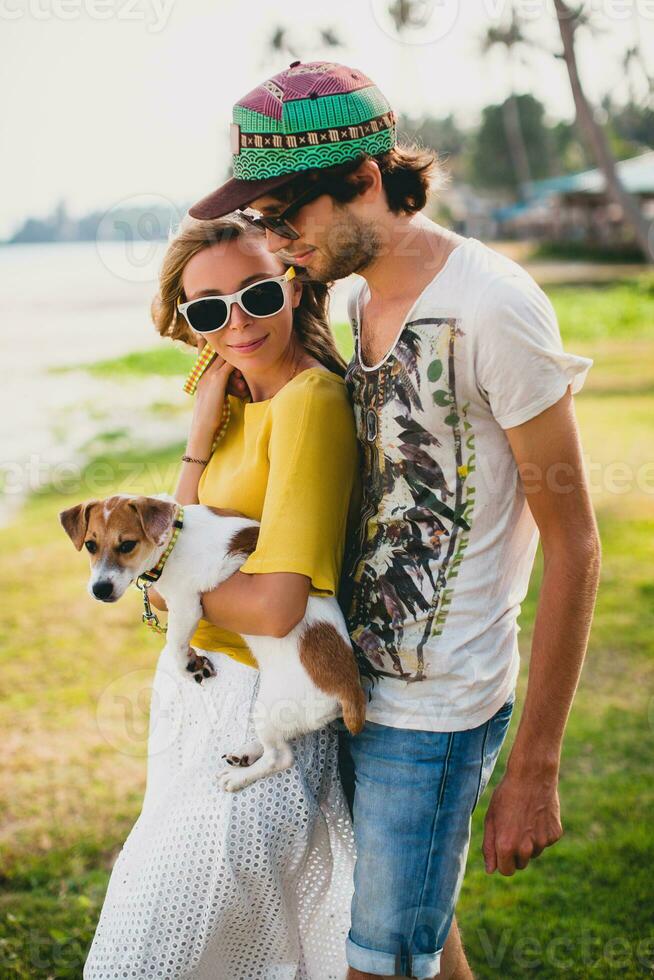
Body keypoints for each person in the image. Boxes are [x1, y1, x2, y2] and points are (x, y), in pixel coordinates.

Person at [188, 61, 602, 979]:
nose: (277, 240)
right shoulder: (355, 296)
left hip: (441, 707)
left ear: (367, 182)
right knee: (421, 946)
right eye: (261, 220)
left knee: (377, 965)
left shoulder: (496, 307)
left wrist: (536, 763)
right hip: (352, 685)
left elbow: (575, 544)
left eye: (287, 214)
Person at [83, 212, 360, 979]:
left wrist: (172, 596)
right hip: (201, 704)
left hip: (257, 704)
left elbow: (274, 606)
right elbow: (165, 551)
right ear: (189, 322)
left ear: (293, 284)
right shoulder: (236, 402)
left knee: (165, 943)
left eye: (255, 293)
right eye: (208, 310)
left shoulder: (309, 403)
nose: (234, 322)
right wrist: (199, 435)